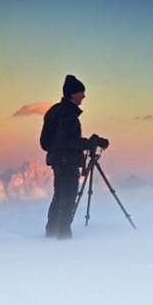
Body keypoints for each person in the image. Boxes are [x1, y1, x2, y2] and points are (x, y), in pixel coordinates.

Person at [40, 75, 108, 239]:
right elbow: (67, 141)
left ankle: (51, 232)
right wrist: (89, 143)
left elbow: (46, 142)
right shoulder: (68, 115)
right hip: (66, 161)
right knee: (68, 199)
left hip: (58, 161)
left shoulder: (55, 110)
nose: (83, 96)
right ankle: (63, 236)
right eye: (81, 93)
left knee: (59, 196)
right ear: (72, 94)